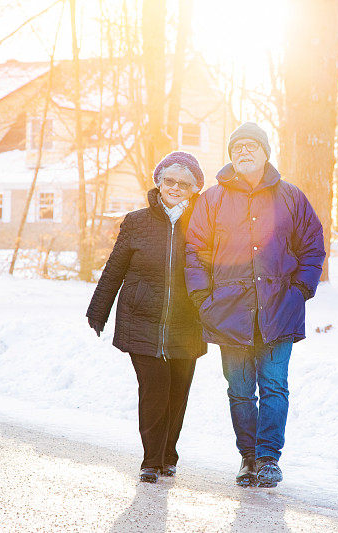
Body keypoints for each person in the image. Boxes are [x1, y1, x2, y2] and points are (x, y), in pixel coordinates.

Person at [185, 122, 326, 488]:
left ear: (265, 152)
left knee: (275, 385)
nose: (243, 152)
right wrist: (203, 297)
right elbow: (195, 250)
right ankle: (248, 458)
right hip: (228, 312)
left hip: (280, 308)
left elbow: (312, 246)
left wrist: (301, 290)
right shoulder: (212, 199)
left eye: (250, 146)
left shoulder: (291, 196)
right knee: (240, 389)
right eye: (236, 148)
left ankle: (268, 459)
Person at [86, 151, 207, 483]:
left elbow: (216, 271)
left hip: (187, 322)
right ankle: (151, 460)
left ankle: (169, 453)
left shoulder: (203, 223)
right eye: (170, 180)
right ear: (159, 182)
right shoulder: (136, 221)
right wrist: (99, 308)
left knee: (178, 390)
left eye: (184, 183)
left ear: (195, 188)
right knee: (155, 387)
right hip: (141, 317)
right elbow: (115, 268)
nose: (176, 188)